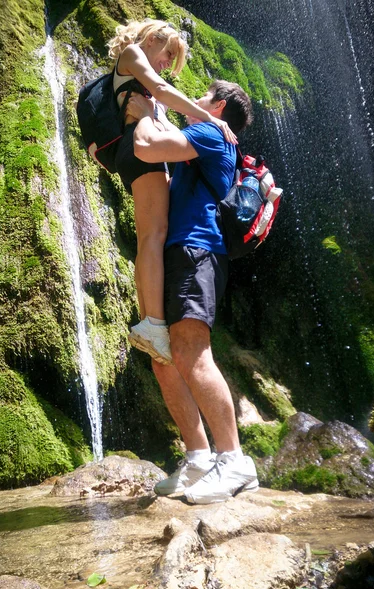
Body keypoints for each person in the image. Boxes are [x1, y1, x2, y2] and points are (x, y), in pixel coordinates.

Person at [126, 80, 259, 504]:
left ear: (218, 106)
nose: (193, 100)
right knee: (164, 357)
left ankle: (234, 461)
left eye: (200, 96)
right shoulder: (200, 137)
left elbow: (146, 147)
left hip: (198, 248)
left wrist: (143, 110)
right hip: (174, 251)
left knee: (190, 350)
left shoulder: (209, 130)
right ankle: (199, 456)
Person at [106, 19, 236, 366]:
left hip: (135, 151)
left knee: (152, 235)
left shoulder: (137, 74)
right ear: (150, 40)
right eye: (167, 55)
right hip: (138, 151)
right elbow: (162, 91)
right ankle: (153, 323)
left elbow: (158, 108)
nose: (166, 65)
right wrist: (210, 120)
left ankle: (151, 321)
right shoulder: (134, 54)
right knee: (153, 235)